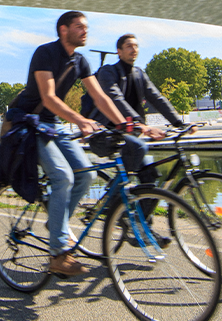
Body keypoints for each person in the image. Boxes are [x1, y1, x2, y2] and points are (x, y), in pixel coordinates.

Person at [8, 11, 127, 277]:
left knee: (86, 175)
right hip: (31, 123)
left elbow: (100, 97)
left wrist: (124, 124)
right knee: (62, 176)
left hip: (54, 125)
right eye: (79, 27)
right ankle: (59, 253)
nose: (85, 31)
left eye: (86, 27)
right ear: (64, 30)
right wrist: (80, 120)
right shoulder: (45, 54)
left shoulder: (80, 61)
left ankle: (56, 224)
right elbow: (48, 98)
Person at [81, 34, 195, 240]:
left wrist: (179, 123)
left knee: (150, 176)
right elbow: (115, 99)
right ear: (119, 51)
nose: (134, 50)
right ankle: (117, 206)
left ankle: (141, 226)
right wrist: (141, 126)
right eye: (128, 46)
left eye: (136, 46)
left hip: (131, 134)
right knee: (139, 151)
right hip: (106, 133)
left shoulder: (140, 74)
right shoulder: (108, 72)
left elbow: (157, 98)